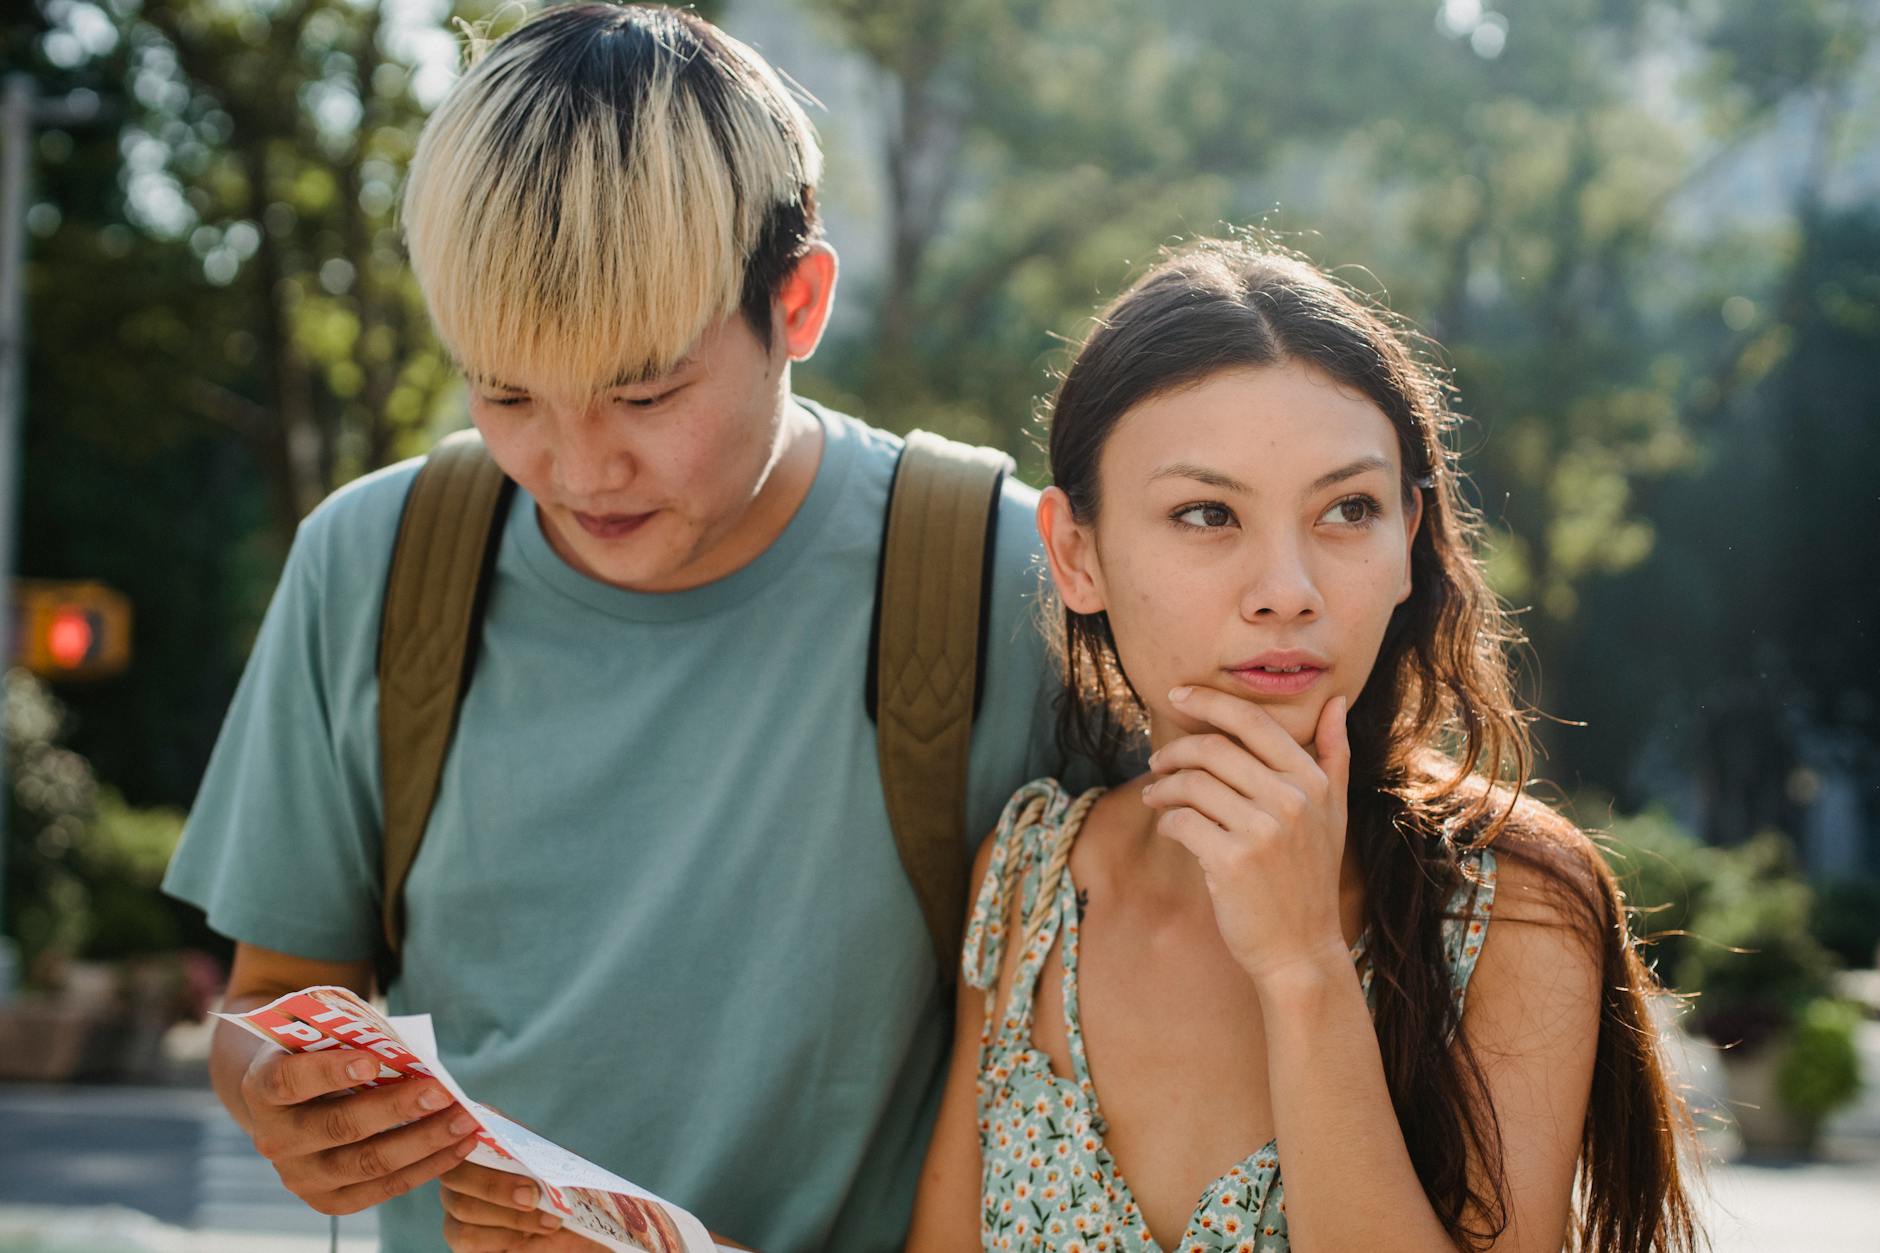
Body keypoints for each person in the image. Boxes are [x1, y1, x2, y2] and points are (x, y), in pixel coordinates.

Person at [160, 6, 1069, 1250]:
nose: (579, 467)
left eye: (645, 391)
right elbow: (273, 991)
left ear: (795, 306)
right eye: (507, 392)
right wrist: (277, 1089)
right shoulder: (371, 562)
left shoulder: (1002, 578)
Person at [903, 239, 1702, 1253]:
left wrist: (1301, 968)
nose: (1287, 586)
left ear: (1407, 538)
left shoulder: (1515, 903)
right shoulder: (1028, 880)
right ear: (1074, 552)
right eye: (1206, 513)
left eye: (1346, 510)